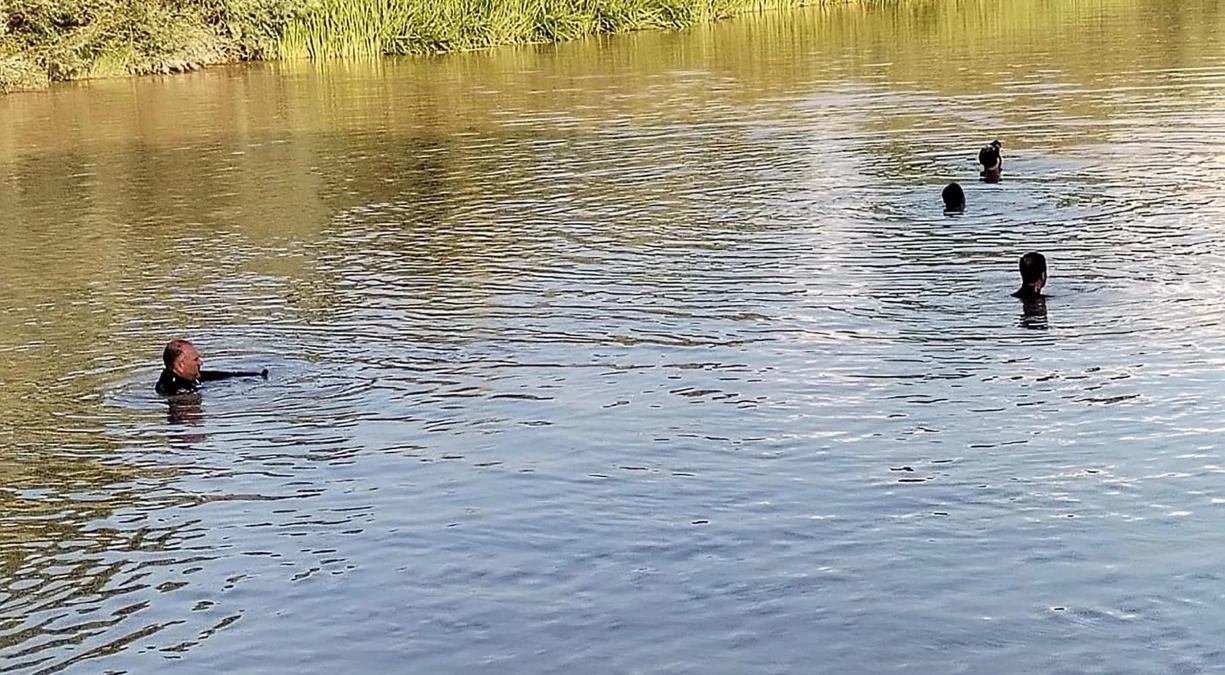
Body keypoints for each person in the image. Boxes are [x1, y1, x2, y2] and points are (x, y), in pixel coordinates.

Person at [156, 339, 267, 396]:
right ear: (180, 365)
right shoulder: (175, 388)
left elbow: (222, 375)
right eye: (195, 360)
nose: (201, 363)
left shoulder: (187, 376)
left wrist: (256, 375)